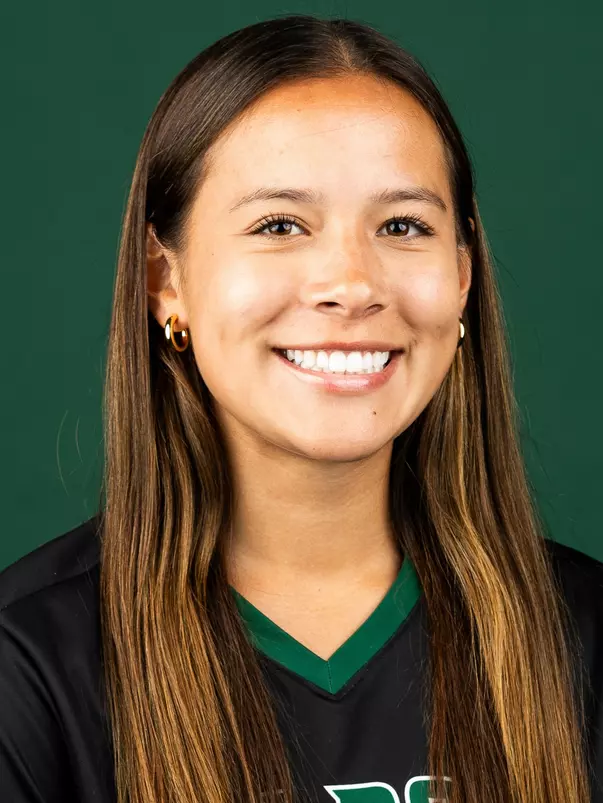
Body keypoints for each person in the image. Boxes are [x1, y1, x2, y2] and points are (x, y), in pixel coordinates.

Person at [0, 13, 601, 803]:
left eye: (402, 225)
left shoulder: (583, 637)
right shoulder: (26, 661)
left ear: (461, 277)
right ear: (163, 281)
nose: (351, 284)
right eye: (278, 224)